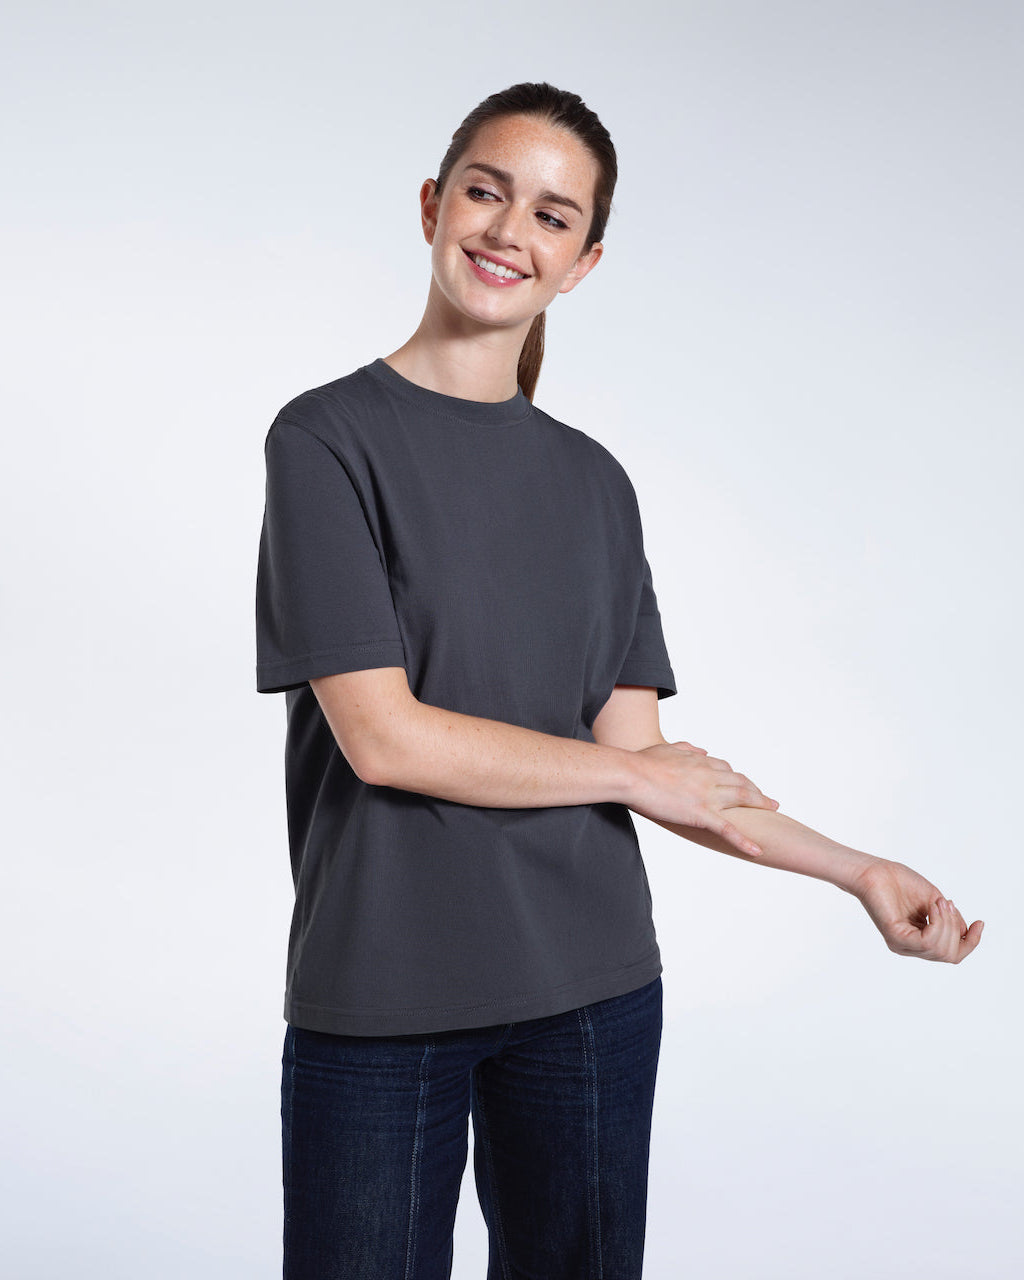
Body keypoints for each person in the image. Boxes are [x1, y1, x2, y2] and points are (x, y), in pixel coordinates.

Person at [255, 81, 983, 1280]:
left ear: (582, 262)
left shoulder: (595, 483)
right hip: (381, 995)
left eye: (550, 216)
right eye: (485, 193)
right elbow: (386, 739)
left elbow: (652, 767)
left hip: (589, 992)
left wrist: (859, 870)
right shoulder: (326, 439)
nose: (507, 232)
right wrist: (638, 777)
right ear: (434, 204)